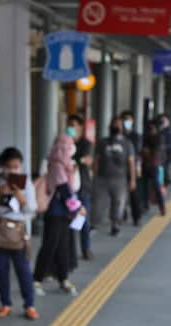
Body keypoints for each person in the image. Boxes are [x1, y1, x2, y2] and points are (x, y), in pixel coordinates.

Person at [0, 145, 42, 316]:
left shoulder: (26, 185)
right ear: (2, 165)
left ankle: (30, 305)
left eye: (16, 166)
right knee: (1, 270)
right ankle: (5, 303)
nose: (13, 170)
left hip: (18, 231)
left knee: (23, 269)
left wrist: (21, 198)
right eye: (9, 166)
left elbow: (32, 210)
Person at [31, 137, 79, 297]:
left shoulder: (67, 164)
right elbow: (64, 189)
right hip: (55, 212)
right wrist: (78, 207)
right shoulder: (57, 164)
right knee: (50, 245)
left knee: (63, 246)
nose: (72, 148)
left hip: (64, 212)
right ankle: (36, 278)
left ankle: (63, 278)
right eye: (69, 145)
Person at [95, 117, 137, 237]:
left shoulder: (127, 143)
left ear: (122, 128)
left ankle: (115, 224)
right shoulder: (103, 142)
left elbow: (131, 162)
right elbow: (97, 160)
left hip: (120, 178)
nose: (116, 127)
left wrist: (132, 179)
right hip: (102, 177)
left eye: (118, 125)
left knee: (118, 203)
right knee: (98, 202)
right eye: (114, 124)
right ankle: (94, 223)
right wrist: (95, 175)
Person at [67, 114, 95, 261]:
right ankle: (71, 251)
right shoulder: (64, 142)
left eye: (74, 125)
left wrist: (74, 161)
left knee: (83, 219)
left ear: (80, 127)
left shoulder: (86, 144)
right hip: (68, 187)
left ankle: (86, 248)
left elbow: (87, 160)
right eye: (69, 125)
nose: (71, 128)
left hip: (83, 186)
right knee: (68, 220)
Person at [120, 111, 145, 225]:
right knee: (120, 193)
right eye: (124, 120)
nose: (127, 122)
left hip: (132, 167)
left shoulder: (136, 136)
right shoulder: (118, 135)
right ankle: (122, 215)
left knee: (134, 193)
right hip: (119, 168)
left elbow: (138, 153)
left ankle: (137, 217)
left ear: (133, 121)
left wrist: (137, 168)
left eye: (129, 120)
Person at [140, 120, 167, 217]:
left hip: (154, 166)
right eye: (149, 128)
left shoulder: (159, 139)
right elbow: (143, 151)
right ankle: (145, 205)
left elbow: (157, 153)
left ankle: (162, 206)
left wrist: (147, 154)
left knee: (156, 185)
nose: (150, 130)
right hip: (147, 165)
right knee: (145, 186)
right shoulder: (146, 138)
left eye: (152, 128)